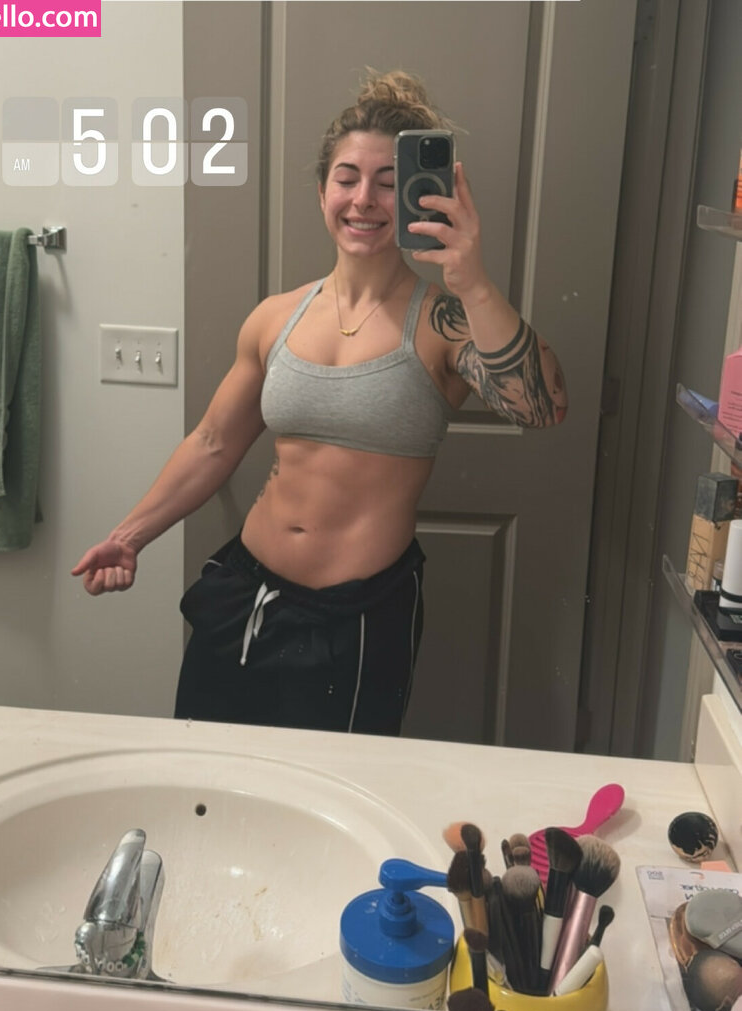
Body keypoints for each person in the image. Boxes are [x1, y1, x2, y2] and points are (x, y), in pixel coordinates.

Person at [72, 71, 568, 736]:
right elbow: (213, 443)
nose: (363, 199)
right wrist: (129, 536)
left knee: (327, 789)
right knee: (204, 772)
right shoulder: (276, 317)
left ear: (422, 195)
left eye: (388, 182)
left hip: (357, 619)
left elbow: (542, 408)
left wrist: (473, 282)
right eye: (346, 178)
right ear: (321, 191)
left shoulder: (444, 323)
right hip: (244, 593)